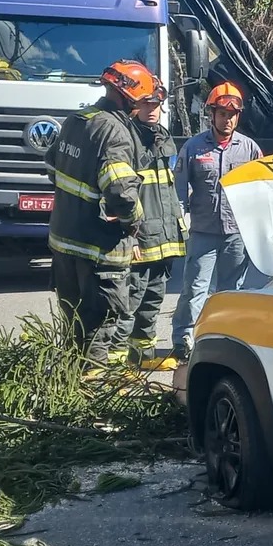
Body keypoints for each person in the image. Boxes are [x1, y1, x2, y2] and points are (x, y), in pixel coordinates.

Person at [45, 59, 149, 368]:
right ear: (129, 96)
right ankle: (92, 397)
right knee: (98, 330)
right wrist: (134, 222)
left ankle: (69, 390)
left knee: (74, 327)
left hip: (64, 242)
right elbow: (120, 191)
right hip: (98, 250)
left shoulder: (76, 120)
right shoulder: (115, 132)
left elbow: (52, 167)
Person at [171, 82, 263, 361]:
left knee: (231, 292)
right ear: (212, 114)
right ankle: (184, 340)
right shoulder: (194, 148)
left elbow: (261, 189)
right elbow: (178, 190)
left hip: (237, 234)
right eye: (222, 113)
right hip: (203, 232)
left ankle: (225, 341)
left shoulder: (249, 149)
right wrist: (179, 222)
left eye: (233, 114)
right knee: (195, 288)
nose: (228, 119)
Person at [109, 79, 187, 372]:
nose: (152, 110)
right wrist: (130, 238)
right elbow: (120, 194)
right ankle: (116, 365)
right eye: (146, 104)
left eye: (155, 105)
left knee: (152, 302)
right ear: (135, 105)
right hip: (140, 239)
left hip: (163, 238)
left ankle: (143, 357)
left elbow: (167, 191)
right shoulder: (127, 140)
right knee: (128, 304)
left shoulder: (163, 138)